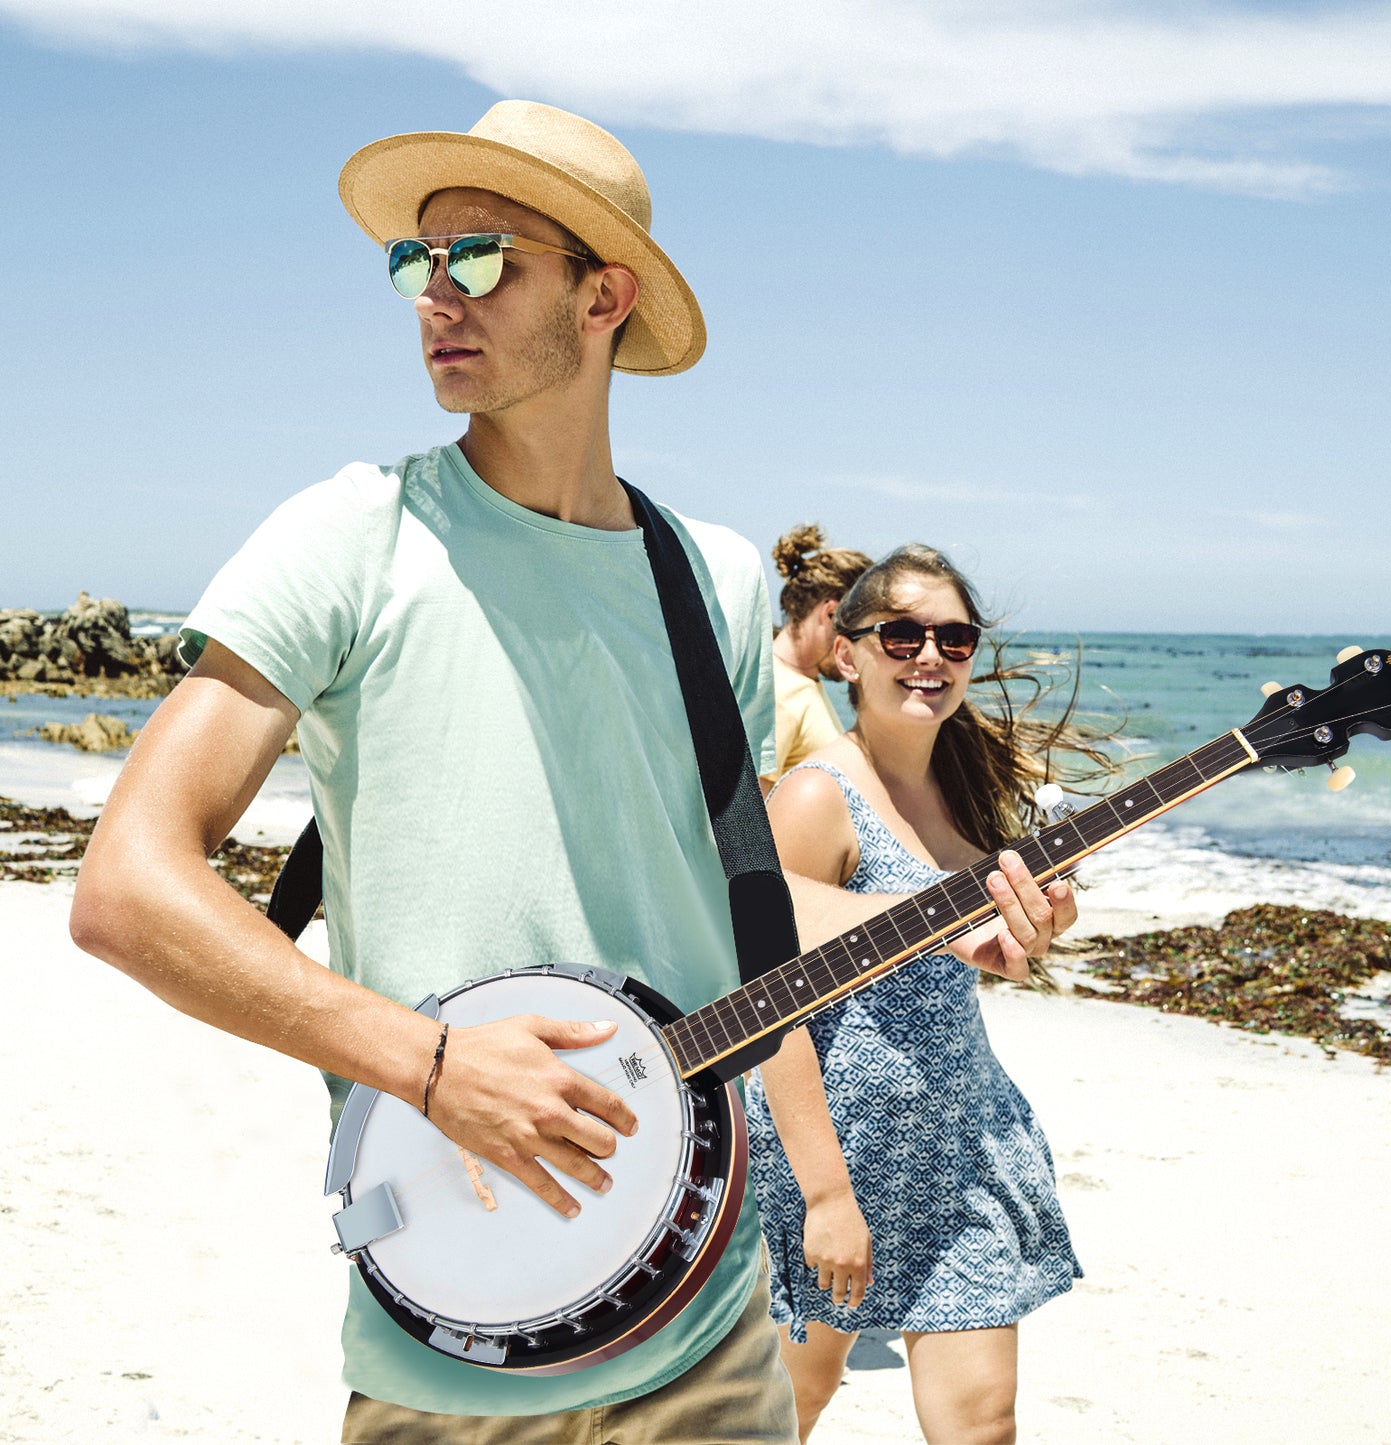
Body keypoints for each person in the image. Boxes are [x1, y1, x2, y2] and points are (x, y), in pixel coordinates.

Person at [69, 101, 1075, 1444]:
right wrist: (431, 1063)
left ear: (604, 296)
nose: (437, 294)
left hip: (709, 1324)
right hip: (463, 1338)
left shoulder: (711, 579)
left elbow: (740, 914)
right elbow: (127, 888)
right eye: (416, 261)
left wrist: (941, 922)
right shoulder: (350, 537)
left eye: (482, 257)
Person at [747, 544, 1115, 1445]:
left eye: (953, 638)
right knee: (783, 1411)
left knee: (983, 1422)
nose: (929, 655)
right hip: (834, 1153)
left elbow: (964, 962)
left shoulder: (964, 787)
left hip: (959, 1144)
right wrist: (825, 1195)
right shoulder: (817, 795)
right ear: (846, 653)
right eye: (902, 634)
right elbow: (762, 1008)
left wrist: (1026, 937)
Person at [761, 525, 872, 795]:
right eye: (859, 634)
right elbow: (751, 809)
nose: (861, 650)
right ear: (830, 613)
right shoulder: (778, 693)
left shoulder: (799, 683)